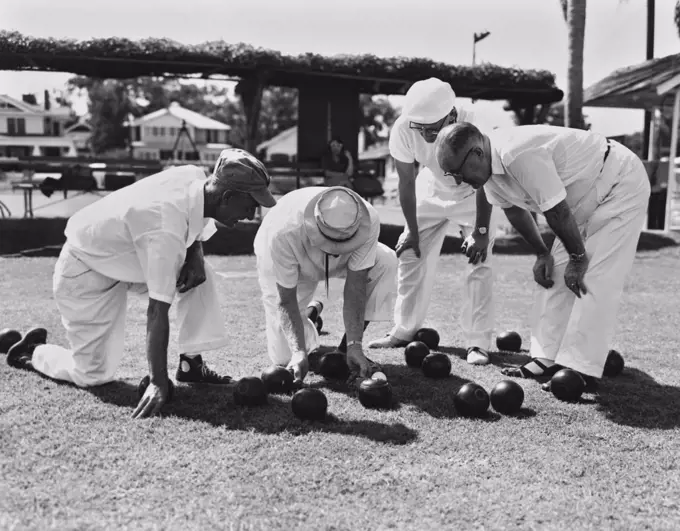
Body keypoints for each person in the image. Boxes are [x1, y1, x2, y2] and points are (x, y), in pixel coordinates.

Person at [7, 148, 277, 418]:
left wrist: (195, 251)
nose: (252, 214)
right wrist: (158, 381)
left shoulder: (194, 177)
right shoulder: (163, 227)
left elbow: (195, 218)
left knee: (198, 273)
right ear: (228, 196)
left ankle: (190, 365)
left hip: (127, 261)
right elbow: (156, 311)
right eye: (251, 204)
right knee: (92, 374)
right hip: (85, 269)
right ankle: (34, 352)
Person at [434, 122, 650, 390]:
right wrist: (542, 253)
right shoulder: (489, 173)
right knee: (555, 272)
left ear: (477, 153)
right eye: (450, 174)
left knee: (594, 278)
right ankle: (547, 358)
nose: (457, 180)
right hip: (581, 199)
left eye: (458, 171)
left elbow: (556, 212)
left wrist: (579, 258)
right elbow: (513, 211)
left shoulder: (516, 153)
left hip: (620, 182)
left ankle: (580, 369)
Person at [367, 77, 498, 366]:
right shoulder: (404, 127)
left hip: (474, 191)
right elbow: (404, 181)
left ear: (452, 115)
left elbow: (487, 181)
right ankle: (404, 329)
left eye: (433, 128)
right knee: (410, 255)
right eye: (420, 128)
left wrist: (481, 231)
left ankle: (477, 342)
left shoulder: (478, 123)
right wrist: (412, 231)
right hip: (431, 188)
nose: (426, 134)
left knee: (479, 260)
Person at [254, 186, 397, 383]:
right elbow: (286, 299)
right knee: (285, 358)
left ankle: (345, 348)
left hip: (344, 259)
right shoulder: (284, 232)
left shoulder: (368, 219)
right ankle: (309, 318)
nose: (335, 249)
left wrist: (354, 345)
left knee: (386, 262)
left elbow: (357, 286)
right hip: (289, 256)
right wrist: (298, 351)